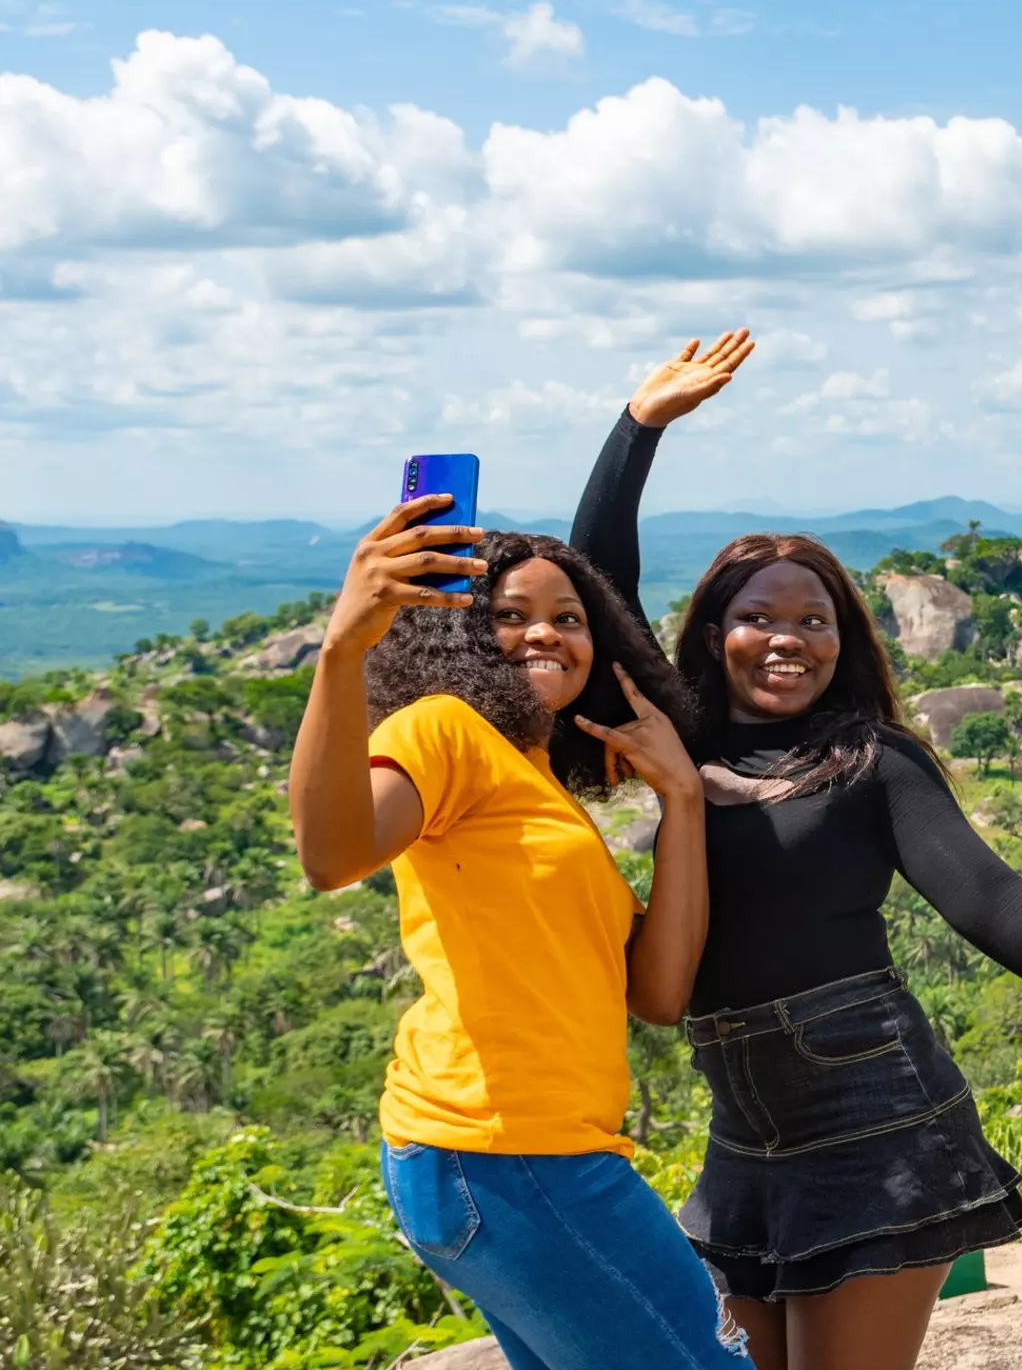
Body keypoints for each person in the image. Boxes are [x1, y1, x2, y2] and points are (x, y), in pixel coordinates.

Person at [568, 346, 1022, 1370]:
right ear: (712, 632)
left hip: (873, 1114)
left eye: (811, 621)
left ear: (844, 638)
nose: (787, 640)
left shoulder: (873, 761)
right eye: (757, 618)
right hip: (743, 1132)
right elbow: (597, 593)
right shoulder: (680, 744)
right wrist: (638, 426)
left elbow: (990, 901)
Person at [288, 331, 759, 1370]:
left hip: (527, 1157)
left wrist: (680, 798)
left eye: (567, 617)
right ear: (457, 635)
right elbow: (331, 855)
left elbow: (658, 994)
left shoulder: (543, 789)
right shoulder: (444, 733)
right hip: (501, 1153)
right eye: (508, 618)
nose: (545, 634)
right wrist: (341, 648)